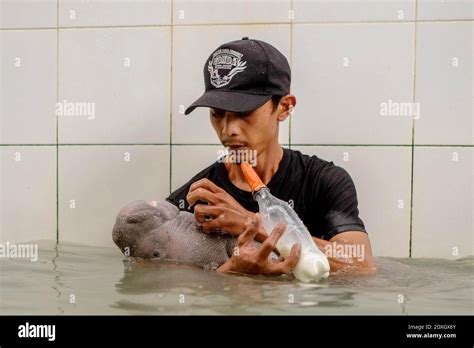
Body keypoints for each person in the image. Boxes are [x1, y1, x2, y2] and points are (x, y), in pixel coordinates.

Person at [167, 37, 376, 276]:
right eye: (217, 113)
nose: (227, 130)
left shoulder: (323, 181)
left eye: (243, 112)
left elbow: (361, 266)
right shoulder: (200, 200)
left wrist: (252, 225)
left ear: (285, 107)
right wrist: (230, 273)